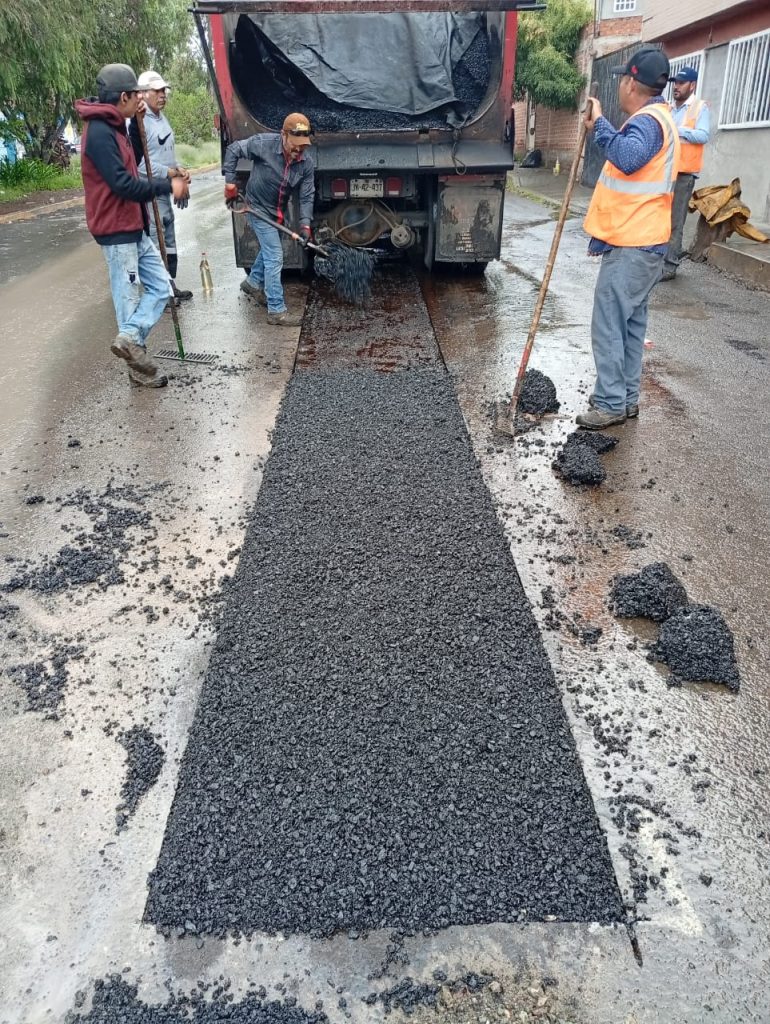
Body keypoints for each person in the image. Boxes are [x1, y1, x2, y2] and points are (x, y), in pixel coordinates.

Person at [576, 48, 680, 431]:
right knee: (631, 326)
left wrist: (600, 125)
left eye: (623, 79)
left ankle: (609, 403)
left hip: (634, 243)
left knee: (608, 323)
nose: (621, 85)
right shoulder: (661, 119)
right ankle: (626, 398)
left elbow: (629, 158)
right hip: (647, 242)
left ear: (632, 83)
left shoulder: (648, 123)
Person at [75, 64, 189, 388]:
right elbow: (124, 184)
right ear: (123, 96)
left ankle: (129, 340)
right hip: (115, 229)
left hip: (133, 224)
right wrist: (168, 186)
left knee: (162, 286)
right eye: (136, 95)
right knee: (127, 303)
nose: (141, 100)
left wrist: (136, 129)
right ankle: (137, 369)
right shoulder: (99, 133)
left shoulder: (116, 125)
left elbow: (133, 160)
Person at [223, 113, 315, 326]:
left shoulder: (306, 164)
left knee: (269, 250)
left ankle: (253, 282)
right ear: (283, 135)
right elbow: (233, 150)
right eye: (295, 143)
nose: (299, 149)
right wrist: (230, 184)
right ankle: (276, 310)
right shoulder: (263, 144)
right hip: (256, 208)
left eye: (303, 144)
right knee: (275, 255)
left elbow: (307, 196)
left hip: (277, 212)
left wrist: (305, 225)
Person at [129, 70, 193, 303]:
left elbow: (166, 154)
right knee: (157, 241)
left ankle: (170, 286)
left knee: (169, 238)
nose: (162, 94)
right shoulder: (138, 122)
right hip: (150, 191)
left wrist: (180, 170)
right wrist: (170, 174)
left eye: (164, 90)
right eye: (157, 90)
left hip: (165, 189)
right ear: (143, 93)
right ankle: (161, 293)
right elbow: (139, 164)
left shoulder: (161, 118)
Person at [661, 67, 710, 281]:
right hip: (665, 170)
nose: (676, 87)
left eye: (681, 83)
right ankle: (658, 260)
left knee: (675, 221)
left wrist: (678, 130)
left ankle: (670, 266)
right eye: (675, 83)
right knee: (661, 217)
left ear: (692, 85)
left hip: (684, 174)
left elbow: (703, 135)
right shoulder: (669, 108)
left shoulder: (699, 108)